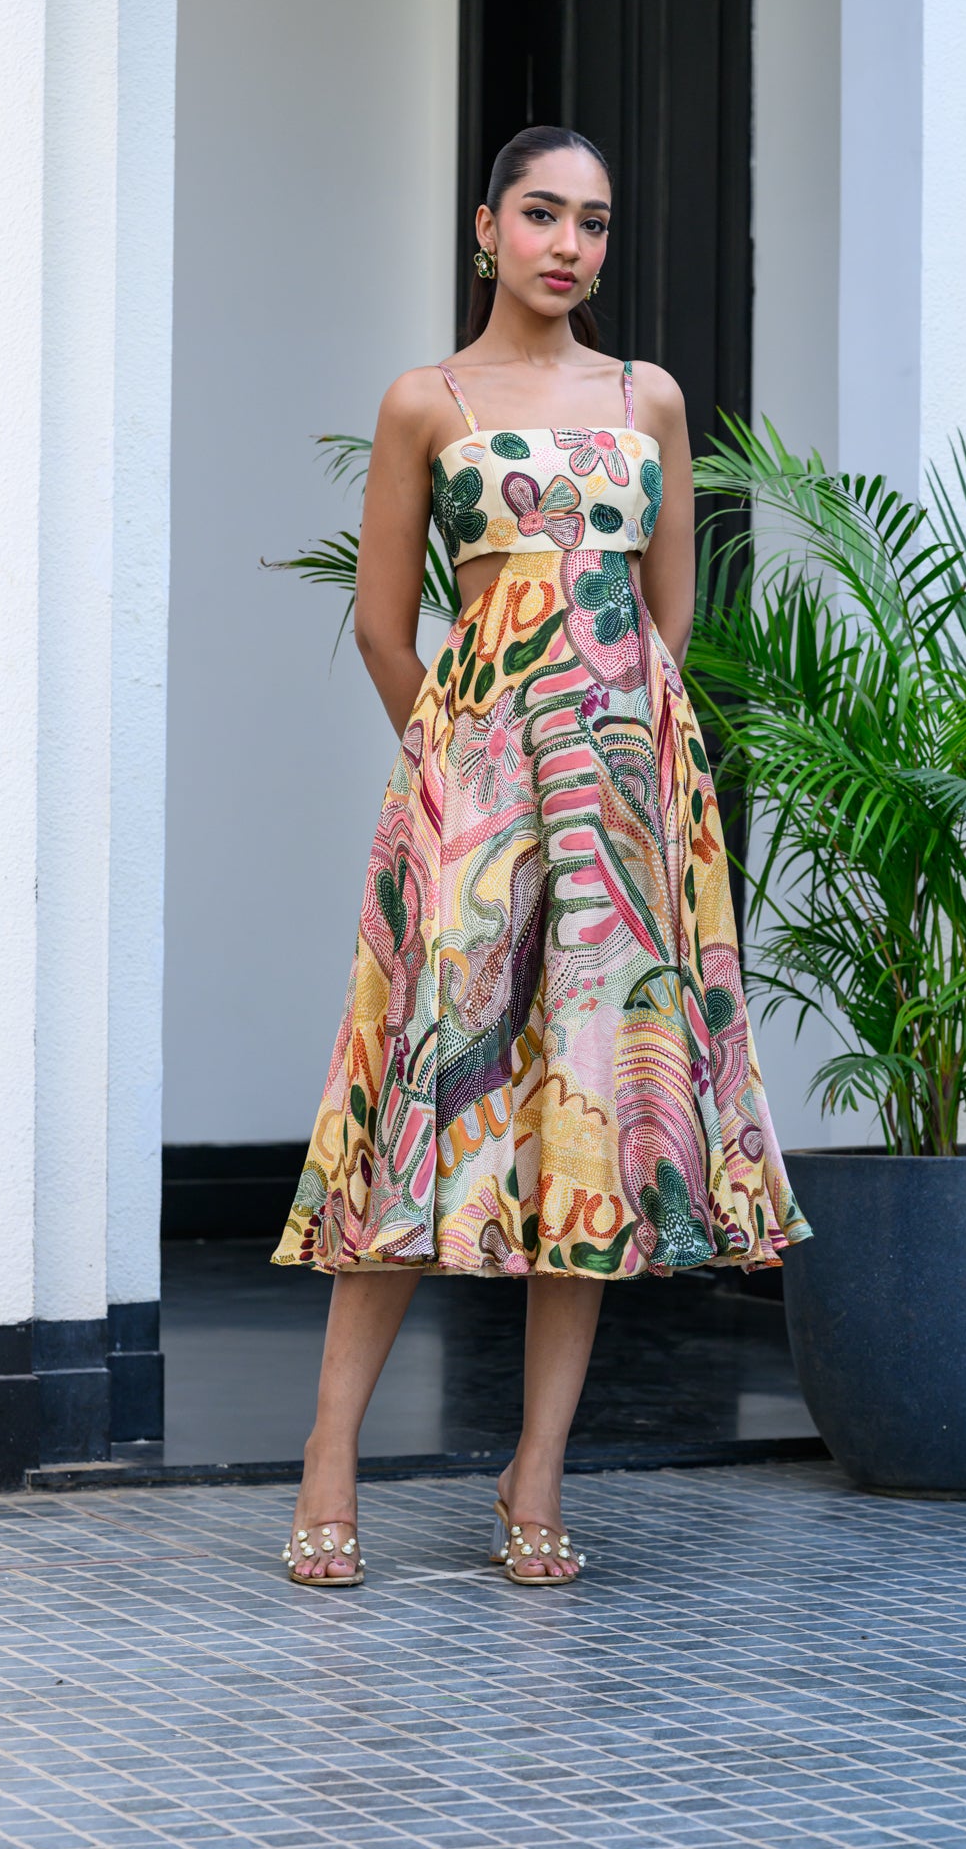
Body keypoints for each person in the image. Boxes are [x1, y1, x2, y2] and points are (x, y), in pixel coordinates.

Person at [273, 124, 811, 1589]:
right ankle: (329, 1460)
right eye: (542, 214)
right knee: (419, 1102)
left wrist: (616, 745)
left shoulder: (648, 397)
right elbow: (384, 623)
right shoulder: (425, 400)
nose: (570, 244)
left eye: (594, 222)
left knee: (590, 1114)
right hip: (473, 798)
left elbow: (667, 617)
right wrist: (460, 760)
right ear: (486, 227)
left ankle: (538, 1472)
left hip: (624, 801)